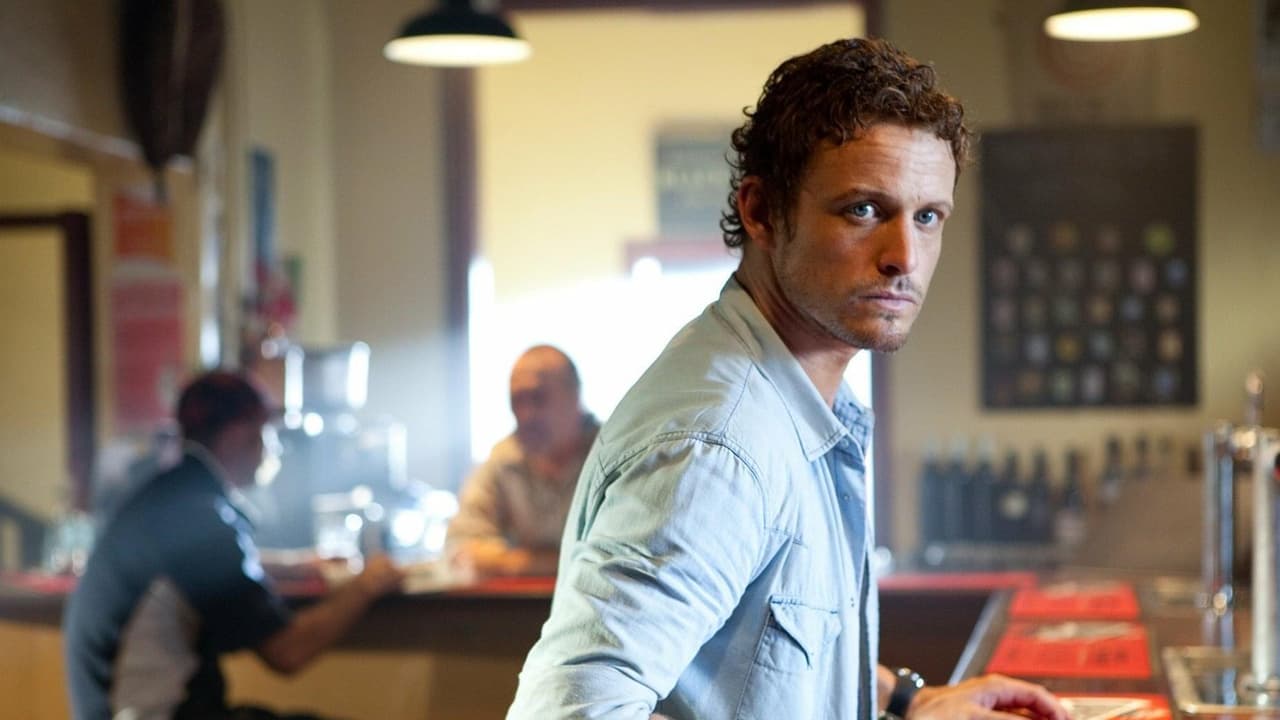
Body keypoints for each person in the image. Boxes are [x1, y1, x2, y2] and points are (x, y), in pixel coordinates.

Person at [507, 38, 1069, 720]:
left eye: (927, 216)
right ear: (762, 212)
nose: (904, 256)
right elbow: (568, 711)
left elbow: (766, 652)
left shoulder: (792, 395)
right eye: (863, 209)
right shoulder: (719, 447)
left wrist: (910, 702)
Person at [64, 370, 405, 720]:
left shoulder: (171, 494)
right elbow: (288, 650)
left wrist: (297, 565)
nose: (272, 448)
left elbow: (197, 574)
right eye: (266, 433)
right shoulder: (200, 515)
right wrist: (367, 585)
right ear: (238, 435)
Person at [448, 345, 599, 576]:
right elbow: (461, 548)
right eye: (517, 400)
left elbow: (624, 559)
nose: (526, 414)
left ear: (575, 397)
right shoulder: (503, 461)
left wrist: (512, 561)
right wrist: (550, 563)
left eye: (538, 398)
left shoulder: (614, 456)